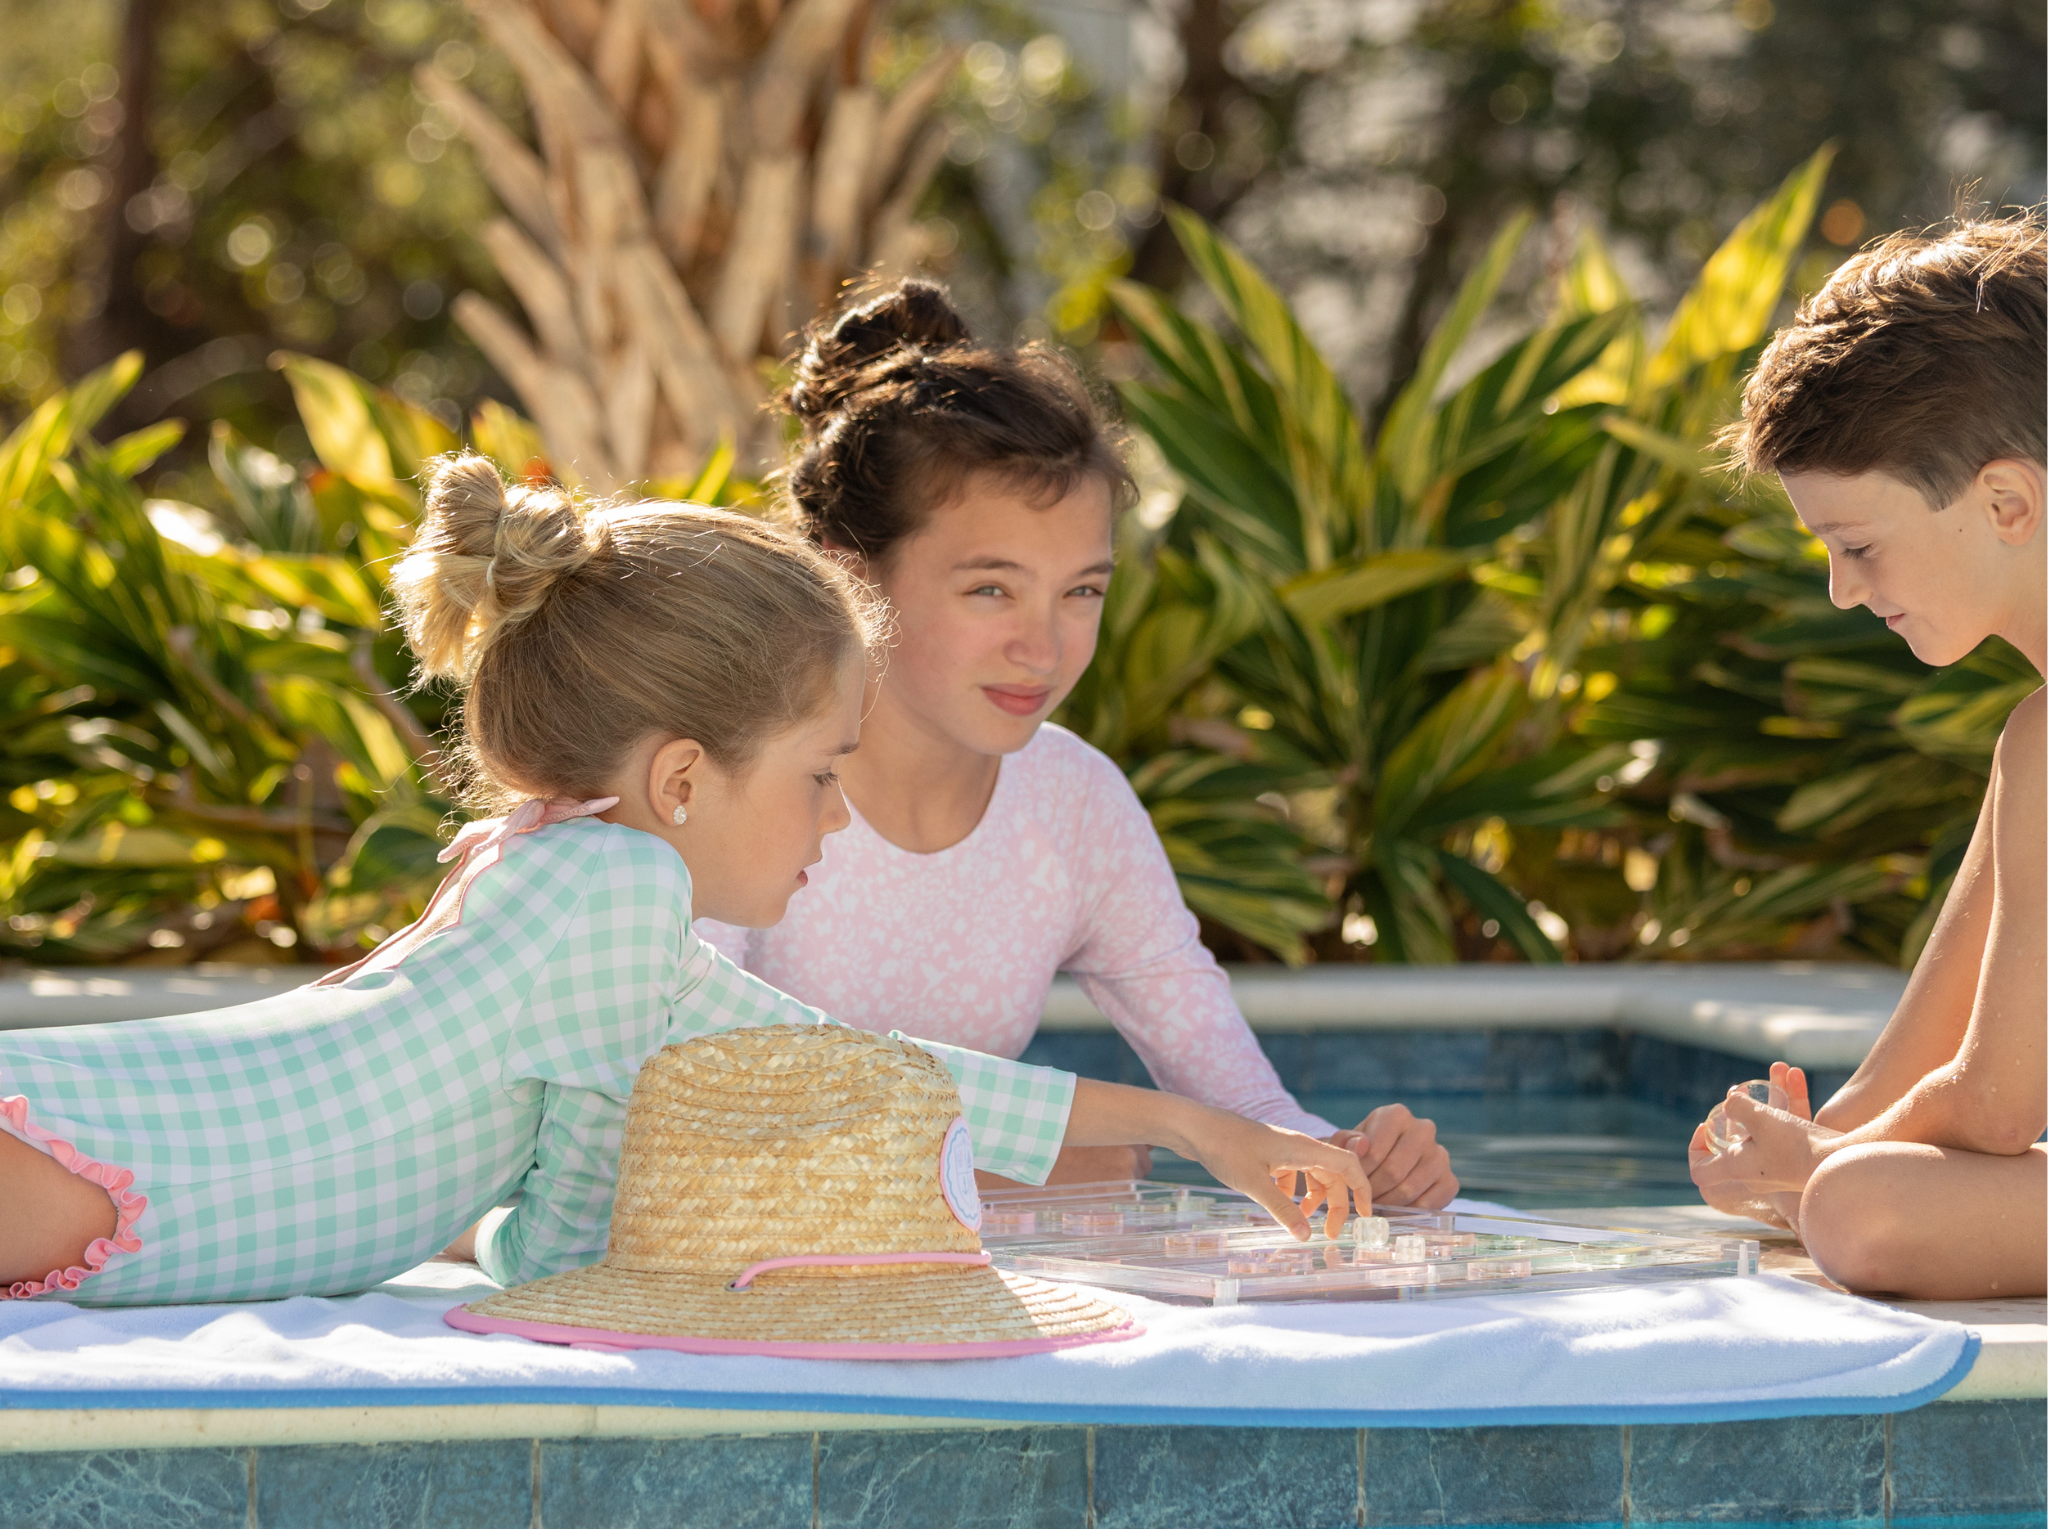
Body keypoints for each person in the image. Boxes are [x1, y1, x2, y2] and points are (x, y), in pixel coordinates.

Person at [0, 458, 1369, 1305]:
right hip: (130, 1153)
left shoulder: (552, 878)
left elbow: (557, 1251)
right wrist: (1194, 1129)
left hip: (103, 1142)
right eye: (819, 773)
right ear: (681, 781)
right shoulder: (610, 902)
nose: (833, 818)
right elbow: (871, 1074)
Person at [695, 283, 1458, 1209]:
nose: (1045, 648)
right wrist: (1019, 1167)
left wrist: (1349, 1166)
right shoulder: (731, 786)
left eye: (1082, 592)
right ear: (848, 576)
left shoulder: (1073, 800)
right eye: (991, 590)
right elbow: (680, 1121)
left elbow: (1244, 1105)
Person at [1691, 213, 2045, 1301]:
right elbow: (1917, 1062)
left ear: (2005, 501)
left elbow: (1997, 1107)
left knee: (1861, 1206)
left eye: (1855, 545)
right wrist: (1796, 1151)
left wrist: (1821, 1168)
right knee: (1843, 1185)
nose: (1843, 590)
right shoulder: (2030, 742)